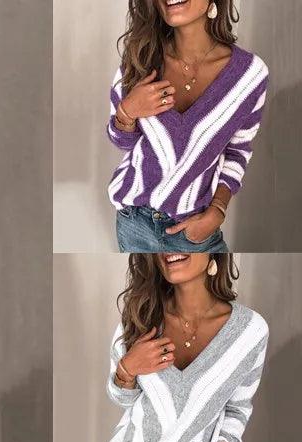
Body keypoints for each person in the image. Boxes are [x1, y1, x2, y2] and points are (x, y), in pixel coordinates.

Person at [107, 253, 267, 442]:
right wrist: (128, 368)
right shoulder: (142, 316)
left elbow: (238, 408)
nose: (170, 250)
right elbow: (122, 399)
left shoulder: (250, 330)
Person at [106, 0, 268, 253]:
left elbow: (238, 151)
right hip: (134, 223)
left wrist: (218, 209)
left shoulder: (249, 75)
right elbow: (123, 143)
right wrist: (127, 111)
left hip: (194, 229)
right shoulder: (140, 60)